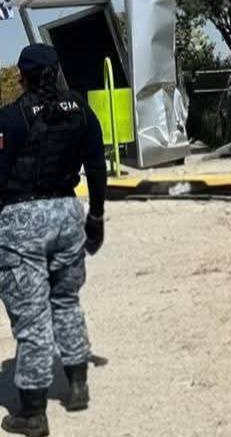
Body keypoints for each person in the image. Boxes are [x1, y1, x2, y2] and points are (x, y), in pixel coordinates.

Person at [0, 44, 106, 437]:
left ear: (23, 77)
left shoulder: (10, 118)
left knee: (30, 317)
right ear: (57, 73)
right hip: (66, 214)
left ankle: (32, 412)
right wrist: (96, 216)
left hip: (21, 220)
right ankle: (77, 385)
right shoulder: (79, 109)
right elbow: (96, 164)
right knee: (65, 301)